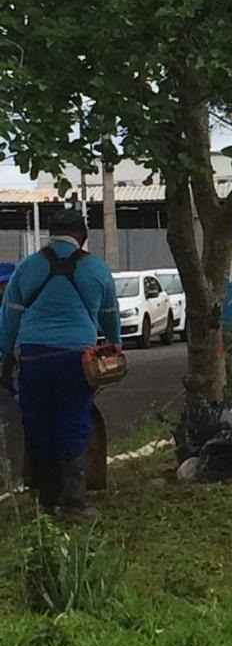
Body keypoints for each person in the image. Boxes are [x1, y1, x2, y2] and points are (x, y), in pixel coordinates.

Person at [0, 208, 121, 514]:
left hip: (34, 356)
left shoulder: (27, 267)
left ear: (50, 235)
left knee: (39, 423)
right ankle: (74, 503)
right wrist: (115, 346)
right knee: (73, 422)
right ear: (83, 236)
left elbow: (9, 318)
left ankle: (48, 499)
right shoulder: (97, 268)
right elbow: (109, 316)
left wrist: (3, 356)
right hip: (76, 357)